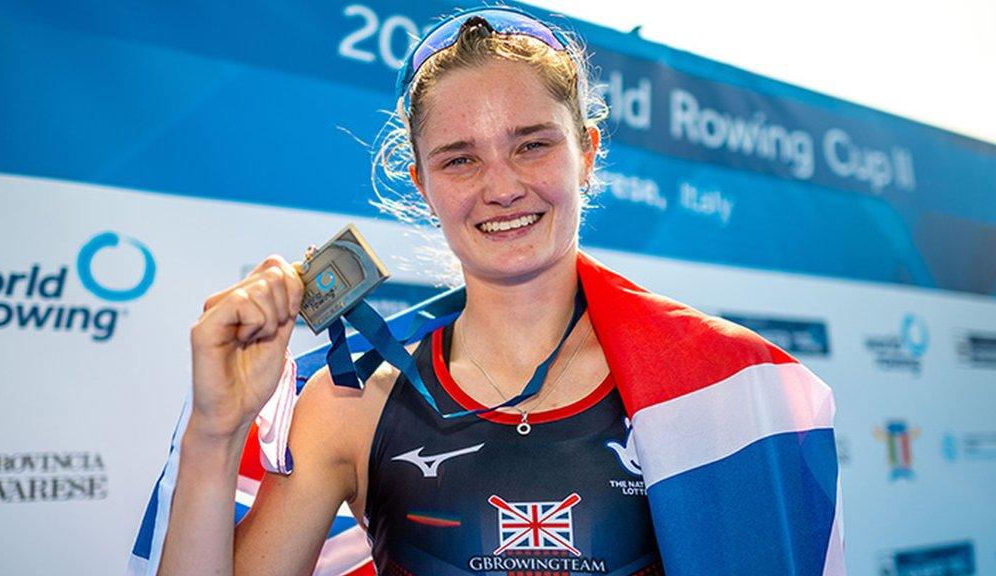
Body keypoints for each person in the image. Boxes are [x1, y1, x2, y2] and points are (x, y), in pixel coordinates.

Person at [153, 7, 843, 576]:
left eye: (532, 145)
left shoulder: (705, 393)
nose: (501, 186)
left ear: (588, 154)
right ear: (422, 185)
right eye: (460, 159)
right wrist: (214, 436)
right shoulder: (352, 404)